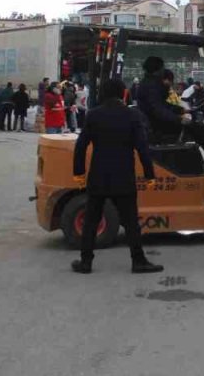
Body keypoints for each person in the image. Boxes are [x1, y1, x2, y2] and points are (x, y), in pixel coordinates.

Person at [71, 77, 163, 275]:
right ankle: (138, 261)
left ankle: (85, 262)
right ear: (123, 93)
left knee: (91, 221)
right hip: (124, 177)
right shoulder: (132, 116)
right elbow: (142, 148)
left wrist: (78, 173)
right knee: (130, 222)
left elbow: (80, 146)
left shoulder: (93, 115)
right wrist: (150, 174)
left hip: (98, 177)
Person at [136, 56, 191, 140]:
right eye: (162, 67)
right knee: (194, 129)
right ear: (157, 69)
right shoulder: (151, 86)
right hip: (156, 126)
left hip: (154, 123)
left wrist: (180, 110)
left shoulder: (149, 83)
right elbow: (158, 110)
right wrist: (178, 119)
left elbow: (162, 104)